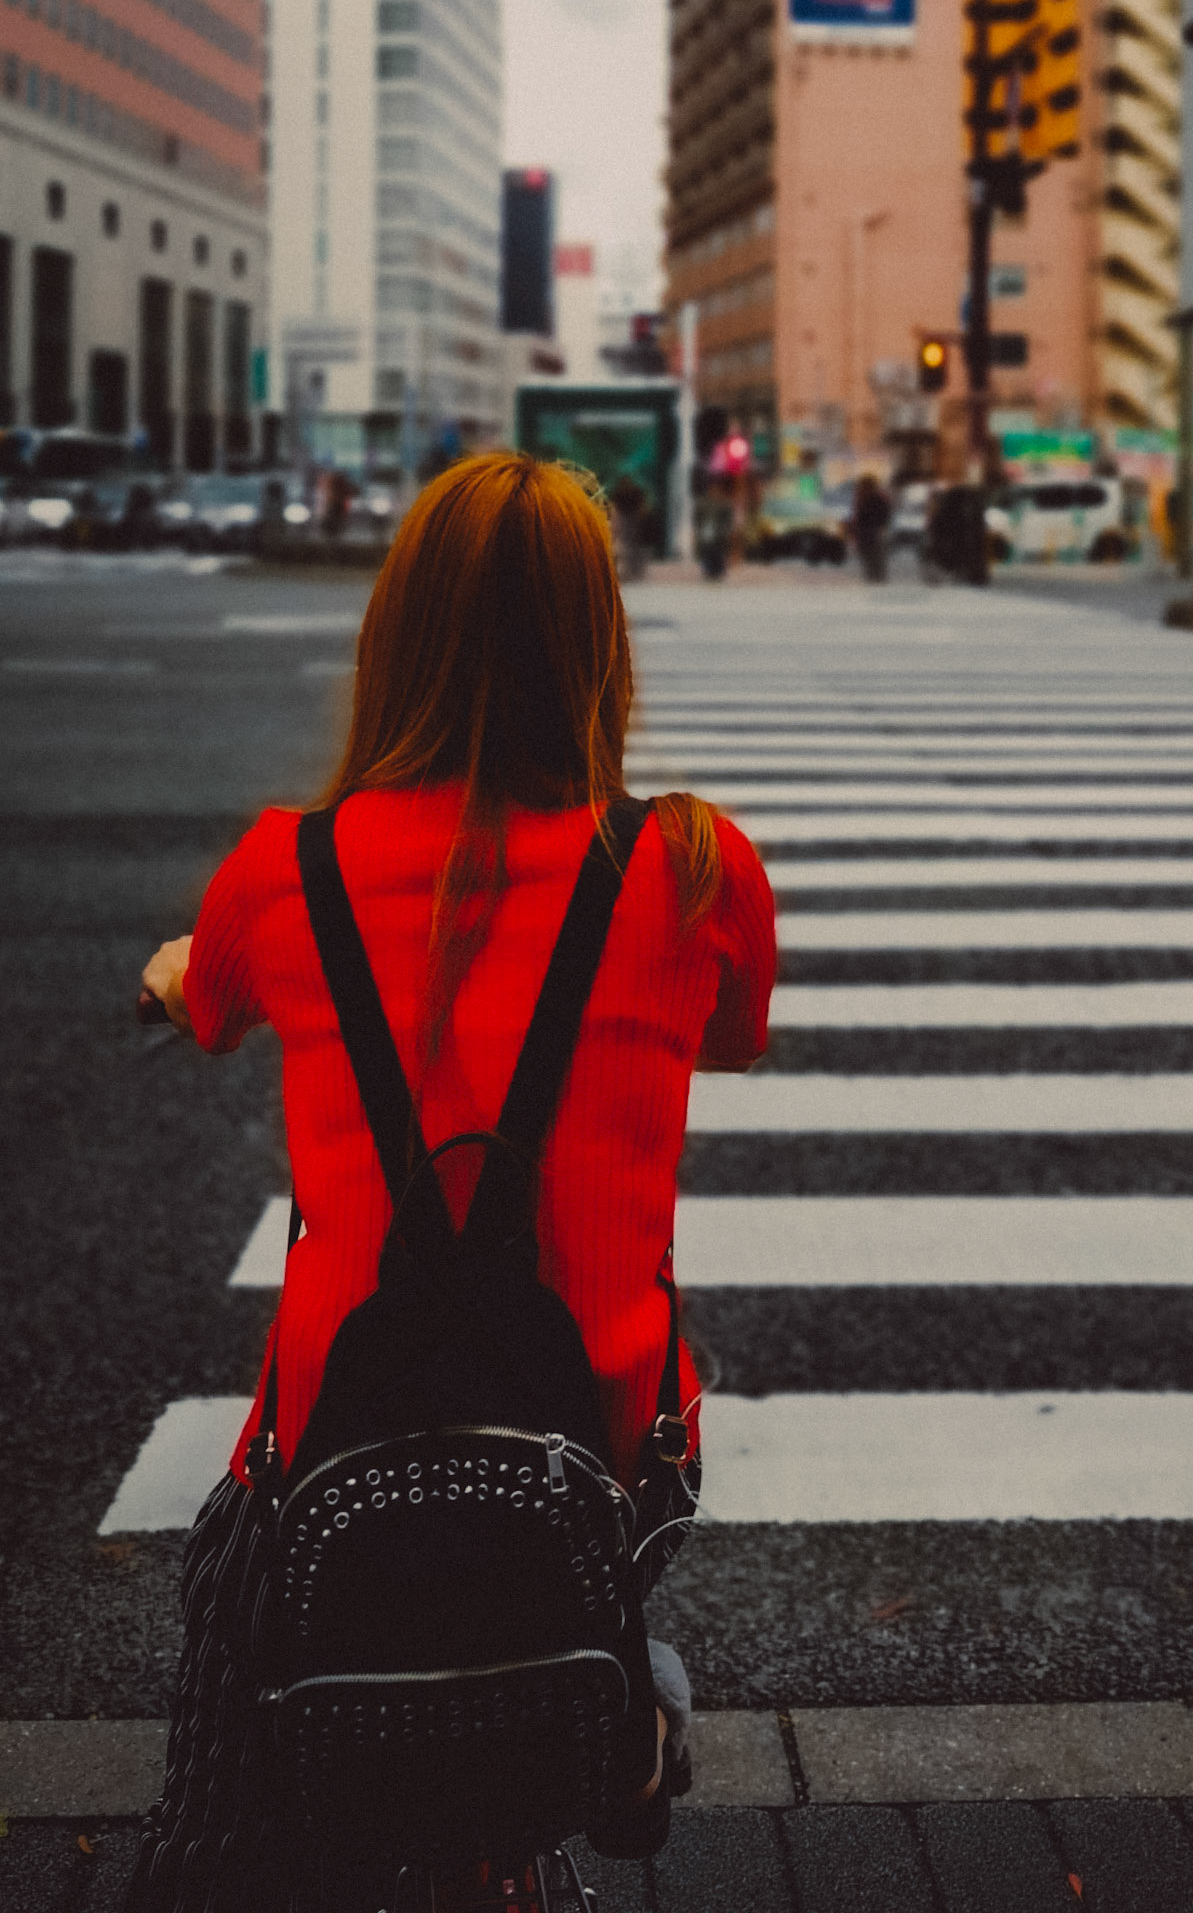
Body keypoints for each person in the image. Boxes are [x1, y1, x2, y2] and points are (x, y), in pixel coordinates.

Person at [127, 453, 777, 1910]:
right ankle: (623, 1720)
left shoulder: (283, 872)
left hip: (337, 1437)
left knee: (231, 1600)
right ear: (597, 639)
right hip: (608, 1438)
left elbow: (214, 997)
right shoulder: (692, 866)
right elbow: (729, 1037)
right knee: (580, 1571)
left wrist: (176, 979)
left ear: (396, 635)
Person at [851, 472, 892, 583]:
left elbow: (884, 515)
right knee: (870, 556)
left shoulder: (875, 498)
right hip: (868, 532)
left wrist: (881, 528)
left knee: (873, 556)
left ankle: (876, 578)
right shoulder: (864, 497)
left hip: (872, 531)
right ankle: (875, 578)